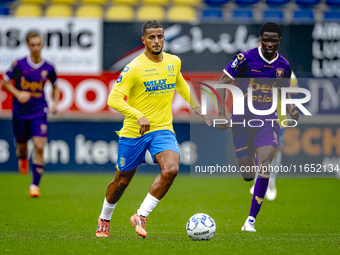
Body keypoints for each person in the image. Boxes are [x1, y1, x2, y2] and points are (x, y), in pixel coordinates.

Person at [95, 20, 211, 238]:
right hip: (134, 132)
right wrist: (138, 115)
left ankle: (141, 215)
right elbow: (113, 99)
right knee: (121, 181)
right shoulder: (134, 68)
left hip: (162, 129)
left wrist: (196, 106)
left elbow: (181, 83)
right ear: (143, 40)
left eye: (160, 36)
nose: (156, 41)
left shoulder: (173, 61)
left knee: (172, 169)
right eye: (151, 37)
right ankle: (105, 218)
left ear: (164, 38)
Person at [216, 22, 299, 232]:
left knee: (265, 163)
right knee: (247, 175)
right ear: (260, 39)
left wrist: (290, 108)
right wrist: (221, 114)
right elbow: (223, 81)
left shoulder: (284, 66)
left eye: (273, 40)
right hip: (242, 121)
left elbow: (283, 91)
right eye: (266, 39)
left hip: (267, 120)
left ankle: (250, 220)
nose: (269, 43)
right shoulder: (245, 58)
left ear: (279, 41)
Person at [2, 32, 59, 198]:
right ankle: (23, 158)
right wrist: (18, 93)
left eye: (38, 44)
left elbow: (56, 85)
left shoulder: (48, 67)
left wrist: (55, 102)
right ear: (28, 46)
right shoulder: (18, 64)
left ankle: (34, 185)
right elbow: (4, 83)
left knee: (40, 146)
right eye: (32, 44)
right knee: (21, 148)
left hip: (39, 111)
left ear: (42, 45)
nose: (36, 47)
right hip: (20, 112)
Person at [249, 71, 299, 201]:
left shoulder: (283, 67)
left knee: (275, 151)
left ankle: (271, 182)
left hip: (278, 117)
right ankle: (257, 180)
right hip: (257, 114)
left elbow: (294, 89)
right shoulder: (253, 66)